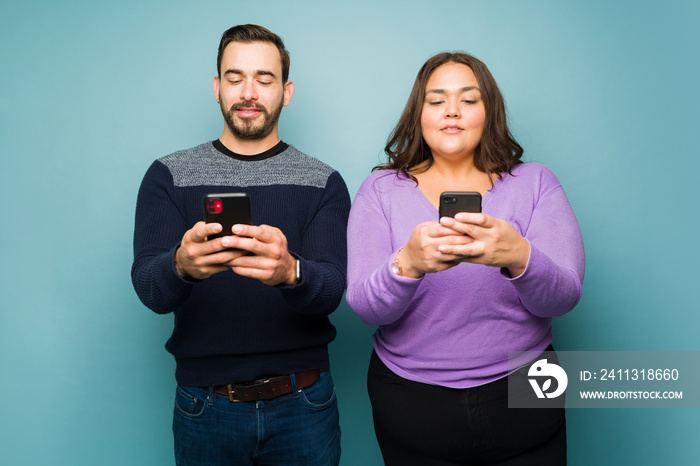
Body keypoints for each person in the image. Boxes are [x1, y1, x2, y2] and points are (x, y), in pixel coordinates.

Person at [346, 52, 585, 465]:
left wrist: (519, 256)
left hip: (526, 387)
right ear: (418, 114)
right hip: (412, 402)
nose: (451, 111)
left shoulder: (536, 182)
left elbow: (563, 298)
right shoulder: (379, 190)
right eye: (436, 100)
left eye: (468, 100)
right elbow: (366, 308)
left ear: (489, 111)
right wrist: (408, 263)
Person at [131, 24, 349, 466]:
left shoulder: (323, 181)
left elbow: (333, 290)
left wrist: (292, 272)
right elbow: (149, 289)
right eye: (235, 78)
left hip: (304, 402)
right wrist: (180, 265)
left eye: (264, 80)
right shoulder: (168, 175)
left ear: (285, 92)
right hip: (205, 406)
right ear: (217, 87)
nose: (249, 92)